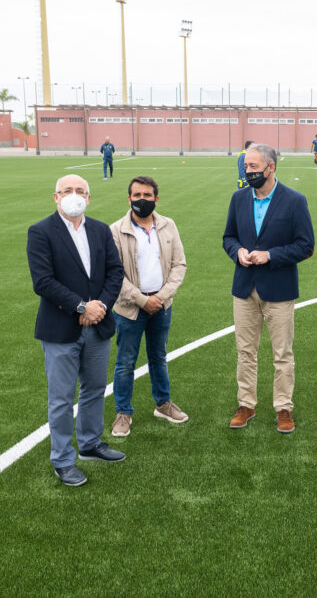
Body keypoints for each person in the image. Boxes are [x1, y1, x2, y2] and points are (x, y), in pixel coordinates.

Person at [26, 174, 126, 486]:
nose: (74, 195)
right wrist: (81, 307)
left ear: (89, 197)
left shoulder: (99, 229)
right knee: (61, 397)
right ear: (56, 197)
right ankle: (62, 459)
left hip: (97, 325)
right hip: (60, 328)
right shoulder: (41, 232)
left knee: (95, 387)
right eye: (67, 190)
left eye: (80, 191)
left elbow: (115, 271)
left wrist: (100, 307)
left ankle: (90, 444)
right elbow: (43, 281)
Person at [222, 143, 314, 433]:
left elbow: (306, 246)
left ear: (270, 167)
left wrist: (270, 255)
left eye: (252, 166)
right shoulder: (238, 199)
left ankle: (283, 408)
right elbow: (228, 237)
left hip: (279, 289)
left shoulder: (294, 201)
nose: (246, 171)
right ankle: (246, 404)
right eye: (245, 166)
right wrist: (237, 251)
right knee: (245, 352)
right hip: (245, 288)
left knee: (282, 354)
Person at [109, 175, 188, 437]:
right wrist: (142, 300)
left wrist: (161, 297)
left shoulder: (169, 225)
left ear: (156, 198)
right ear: (129, 198)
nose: (142, 200)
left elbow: (179, 265)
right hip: (130, 308)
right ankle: (123, 412)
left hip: (161, 306)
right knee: (125, 362)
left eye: (147, 195)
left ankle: (163, 404)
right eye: (137, 195)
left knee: (158, 357)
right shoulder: (116, 230)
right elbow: (114, 275)